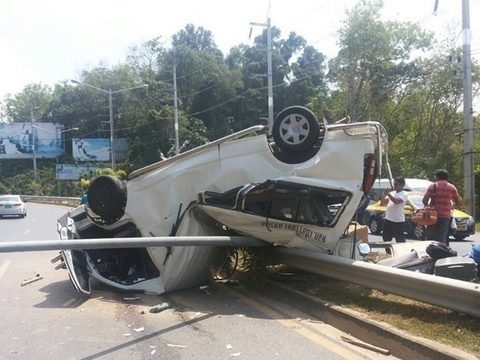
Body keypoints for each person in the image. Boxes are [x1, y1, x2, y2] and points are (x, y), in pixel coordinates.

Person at [422, 169, 460, 245]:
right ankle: (440, 254)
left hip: (432, 215)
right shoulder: (452, 187)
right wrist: (452, 206)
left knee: (430, 237)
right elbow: (458, 200)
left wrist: (428, 206)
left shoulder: (432, 186)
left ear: (437, 177)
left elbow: (424, 200)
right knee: (442, 238)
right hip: (445, 216)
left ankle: (429, 253)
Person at [381, 176, 408, 243]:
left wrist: (389, 194)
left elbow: (396, 202)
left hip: (398, 221)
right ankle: (388, 252)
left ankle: (401, 253)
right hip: (388, 219)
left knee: (400, 240)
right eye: (394, 184)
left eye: (397, 184)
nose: (395, 186)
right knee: (386, 238)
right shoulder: (392, 193)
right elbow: (382, 203)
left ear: (402, 185)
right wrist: (384, 195)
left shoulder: (404, 193)